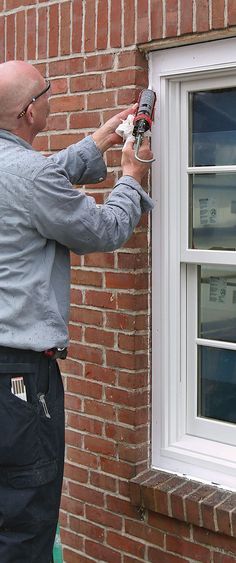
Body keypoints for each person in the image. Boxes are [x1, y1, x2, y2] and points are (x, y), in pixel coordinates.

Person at [0, 60, 154, 562]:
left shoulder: (17, 170)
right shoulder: (27, 176)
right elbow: (105, 229)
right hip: (20, 382)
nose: (52, 97)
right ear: (29, 112)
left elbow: (34, 186)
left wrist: (98, 143)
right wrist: (132, 176)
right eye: (47, 92)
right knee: (25, 523)